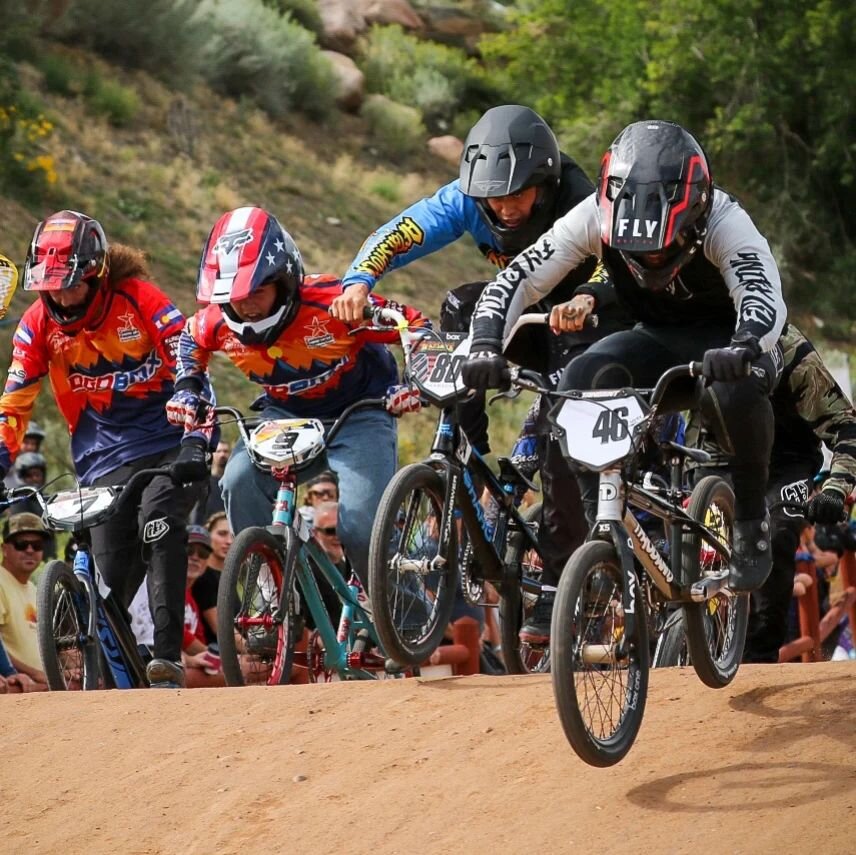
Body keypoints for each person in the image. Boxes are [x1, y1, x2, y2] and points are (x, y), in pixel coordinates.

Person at [464, 119, 788, 632]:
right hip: (655, 337)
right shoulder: (593, 214)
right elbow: (518, 279)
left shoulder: (728, 221)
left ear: (696, 211)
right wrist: (484, 343)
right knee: (580, 377)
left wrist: (745, 345)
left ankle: (750, 520)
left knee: (734, 388)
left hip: (728, 341)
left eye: (660, 248)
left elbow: (763, 296)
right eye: (635, 250)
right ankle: (602, 535)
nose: (648, 258)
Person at [334, 104, 632, 644]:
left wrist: (589, 296)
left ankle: (567, 572)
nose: (503, 207)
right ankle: (466, 458)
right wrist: (360, 278)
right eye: (493, 197)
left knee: (563, 444)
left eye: (517, 195)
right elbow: (406, 229)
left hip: (582, 324)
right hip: (516, 318)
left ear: (544, 182)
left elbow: (612, 259)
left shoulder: (577, 195)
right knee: (457, 307)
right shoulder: (471, 199)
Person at [168, 206, 427, 587]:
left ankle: (406, 620)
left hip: (360, 412)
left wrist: (412, 382)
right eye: (233, 296)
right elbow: (190, 340)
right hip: (285, 412)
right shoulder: (217, 321)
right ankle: (267, 596)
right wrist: (187, 389)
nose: (244, 306)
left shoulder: (333, 303)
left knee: (360, 529)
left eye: (256, 291)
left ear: (285, 280)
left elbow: (413, 324)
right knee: (238, 479)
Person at [0, 210, 204, 688]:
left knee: (160, 524)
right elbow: (15, 399)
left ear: (97, 275)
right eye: (50, 287)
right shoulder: (35, 325)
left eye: (71, 285)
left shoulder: (140, 299)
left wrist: (198, 434)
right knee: (109, 579)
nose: (62, 298)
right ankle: (111, 688)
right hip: (102, 456)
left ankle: (169, 658)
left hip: (168, 442)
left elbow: (190, 359)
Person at [0, 512, 51, 690]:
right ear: (4, 549)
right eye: (21, 544)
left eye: (36, 545)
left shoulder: (36, 590)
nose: (30, 550)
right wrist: (37, 675)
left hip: (41, 688)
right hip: (16, 685)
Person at [189, 439, 230, 526]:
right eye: (218, 451)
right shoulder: (202, 482)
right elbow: (196, 512)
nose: (222, 454)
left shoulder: (233, 483)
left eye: (225, 451)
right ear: (212, 454)